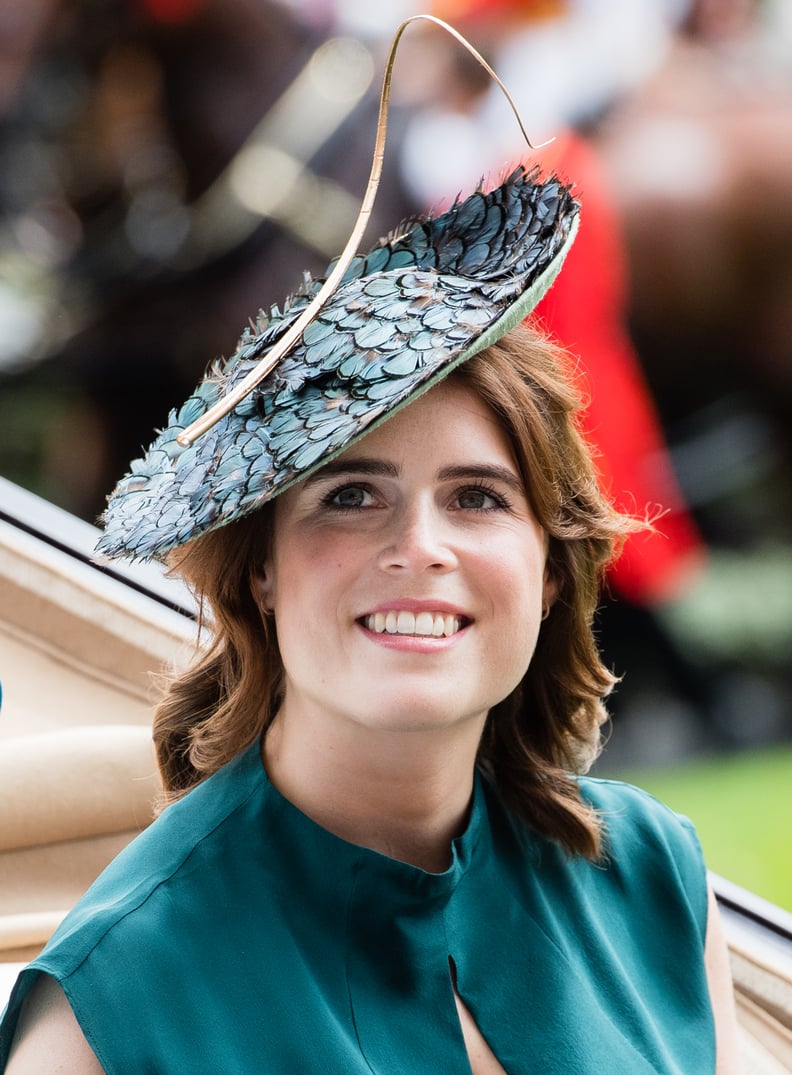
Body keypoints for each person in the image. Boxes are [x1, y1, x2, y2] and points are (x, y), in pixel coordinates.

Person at [0, 38, 741, 1074]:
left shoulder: (658, 882)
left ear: (549, 562)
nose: (420, 549)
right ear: (260, 566)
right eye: (351, 497)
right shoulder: (109, 1008)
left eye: (479, 498)